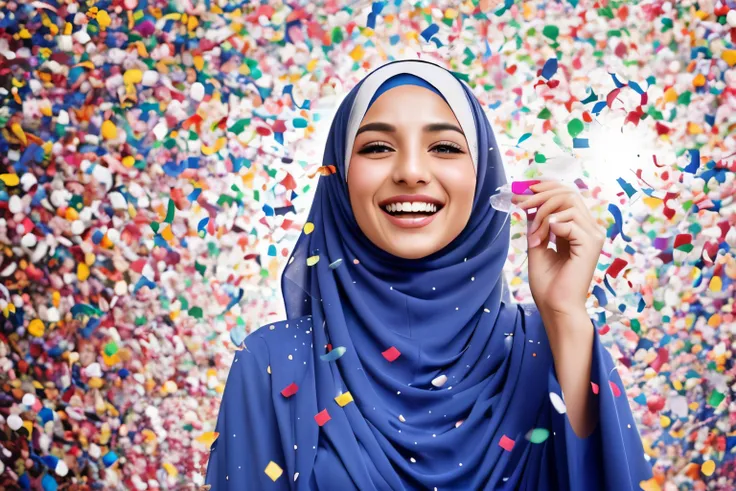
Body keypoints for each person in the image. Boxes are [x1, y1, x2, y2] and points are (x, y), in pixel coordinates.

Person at [203, 59, 652, 490]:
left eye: (445, 147)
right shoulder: (271, 361)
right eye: (377, 147)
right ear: (338, 177)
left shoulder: (554, 344)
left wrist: (566, 315)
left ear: (483, 177)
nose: (412, 172)